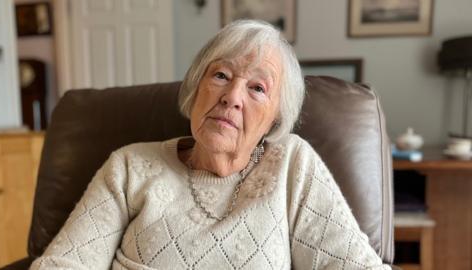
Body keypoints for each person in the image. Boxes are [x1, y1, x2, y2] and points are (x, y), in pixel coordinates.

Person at [31, 20, 390, 270]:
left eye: (257, 88)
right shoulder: (130, 165)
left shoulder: (292, 166)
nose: (232, 96)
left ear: (275, 119)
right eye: (221, 75)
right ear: (196, 88)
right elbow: (64, 263)